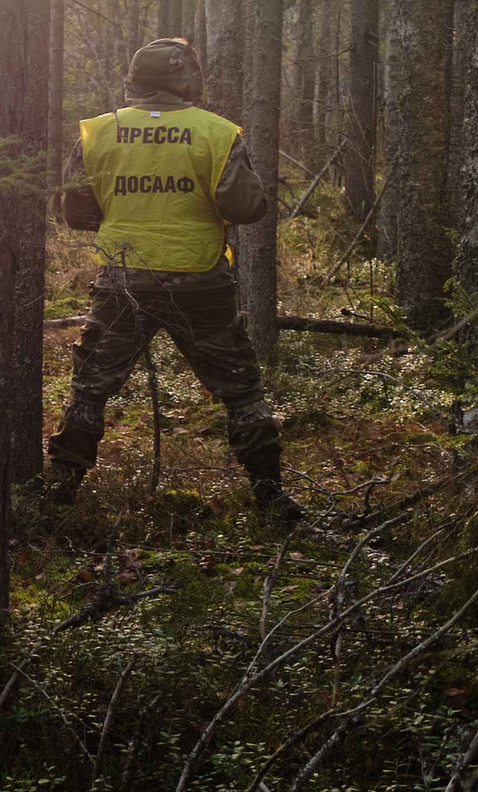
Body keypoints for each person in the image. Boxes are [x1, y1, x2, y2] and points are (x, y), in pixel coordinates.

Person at [45, 38, 300, 524]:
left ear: (135, 80)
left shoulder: (100, 131)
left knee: (90, 389)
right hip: (200, 282)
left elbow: (76, 213)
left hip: (123, 280)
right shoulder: (216, 132)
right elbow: (247, 207)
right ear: (188, 81)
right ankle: (270, 497)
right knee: (241, 392)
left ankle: (59, 493)